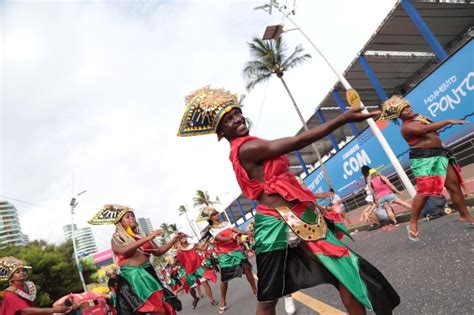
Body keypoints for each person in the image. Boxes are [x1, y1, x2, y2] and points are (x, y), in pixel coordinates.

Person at [177, 86, 400, 315]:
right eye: (228, 119)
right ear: (221, 132)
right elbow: (298, 141)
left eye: (236, 113)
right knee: (269, 298)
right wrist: (342, 119)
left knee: (345, 272)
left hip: (299, 217)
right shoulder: (246, 148)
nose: (236, 119)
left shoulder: (248, 143)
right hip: (275, 225)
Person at [381, 95, 474, 240]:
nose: (408, 110)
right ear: (398, 115)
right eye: (403, 110)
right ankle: (413, 223)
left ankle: (465, 215)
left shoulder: (419, 118)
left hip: (440, 154)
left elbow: (432, 133)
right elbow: (426, 130)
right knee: (424, 193)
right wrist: (448, 121)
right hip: (424, 159)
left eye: (407, 107)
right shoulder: (406, 127)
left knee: (454, 186)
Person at [88, 204, 182, 315]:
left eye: (132, 216)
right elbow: (125, 251)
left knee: (164, 306)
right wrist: (148, 237)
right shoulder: (117, 238)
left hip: (149, 272)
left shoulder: (141, 236)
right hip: (134, 276)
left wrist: (174, 240)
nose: (132, 218)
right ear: (120, 222)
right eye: (127, 217)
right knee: (156, 308)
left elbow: (158, 252)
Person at [201, 206, 257, 313]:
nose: (216, 214)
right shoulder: (211, 229)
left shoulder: (226, 223)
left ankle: (255, 289)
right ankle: (223, 300)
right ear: (210, 218)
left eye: (216, 212)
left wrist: (248, 233)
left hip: (236, 250)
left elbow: (238, 230)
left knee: (246, 268)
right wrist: (232, 237)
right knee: (225, 279)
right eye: (213, 214)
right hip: (224, 254)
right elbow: (221, 239)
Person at [0, 256, 71, 315]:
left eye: (23, 270)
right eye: (18, 272)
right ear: (11, 277)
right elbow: (26, 310)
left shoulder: (29, 285)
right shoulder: (9, 293)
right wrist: (54, 310)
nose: (22, 273)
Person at [175, 234, 218, 309]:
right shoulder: (179, 250)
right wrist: (179, 248)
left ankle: (212, 300)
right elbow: (180, 260)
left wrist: (208, 241)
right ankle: (195, 298)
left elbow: (203, 248)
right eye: (181, 237)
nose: (183, 238)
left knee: (205, 282)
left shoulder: (193, 245)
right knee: (190, 288)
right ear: (179, 240)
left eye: (184, 236)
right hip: (189, 270)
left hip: (198, 267)